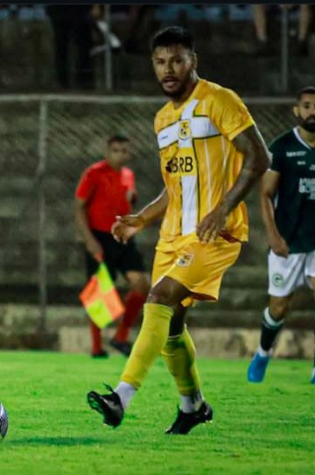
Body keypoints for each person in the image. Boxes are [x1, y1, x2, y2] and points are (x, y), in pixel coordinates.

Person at [86, 26, 270, 435]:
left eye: (177, 60)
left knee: (159, 298)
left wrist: (223, 207)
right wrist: (141, 219)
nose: (168, 69)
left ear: (193, 61)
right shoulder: (162, 119)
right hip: (173, 236)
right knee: (171, 328)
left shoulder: (220, 101)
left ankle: (121, 396)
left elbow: (259, 157)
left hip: (213, 235)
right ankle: (193, 405)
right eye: (160, 62)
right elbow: (175, 187)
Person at [247, 86, 315, 384]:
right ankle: (263, 353)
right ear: (297, 110)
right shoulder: (282, 147)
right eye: (307, 106)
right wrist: (273, 235)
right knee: (278, 307)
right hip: (288, 241)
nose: (312, 112)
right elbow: (266, 194)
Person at [74, 134, 151, 358]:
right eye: (116, 150)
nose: (120, 154)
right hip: (100, 236)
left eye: (124, 150)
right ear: (108, 152)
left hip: (123, 236)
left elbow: (128, 201)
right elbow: (78, 207)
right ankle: (97, 347)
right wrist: (89, 240)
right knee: (98, 293)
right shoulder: (94, 173)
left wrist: (131, 199)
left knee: (142, 284)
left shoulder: (129, 175)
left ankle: (121, 336)